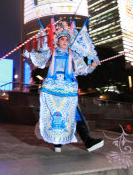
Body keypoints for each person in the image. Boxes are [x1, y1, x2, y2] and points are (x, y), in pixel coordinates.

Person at [26, 20, 103, 153]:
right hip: (51, 89)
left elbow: (81, 69)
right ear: (57, 40)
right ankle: (57, 144)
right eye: (62, 39)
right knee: (52, 114)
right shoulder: (51, 52)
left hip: (68, 89)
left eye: (67, 39)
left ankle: (87, 141)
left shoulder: (73, 55)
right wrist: (26, 50)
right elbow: (38, 57)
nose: (65, 41)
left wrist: (91, 67)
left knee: (74, 114)